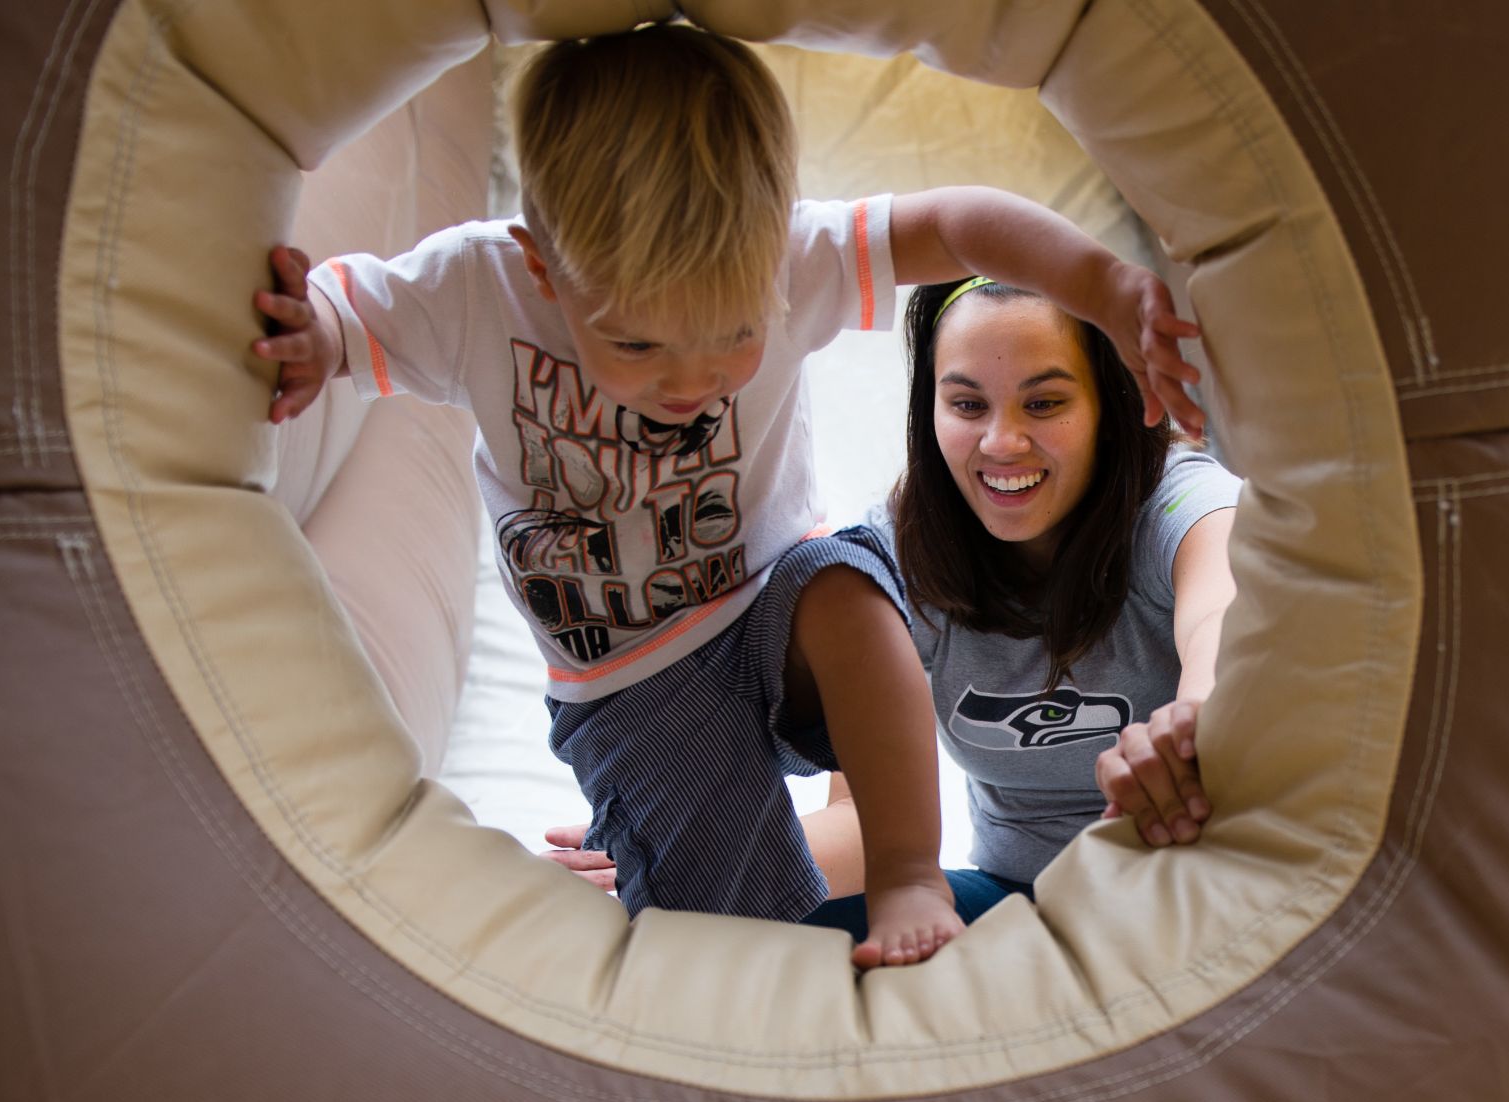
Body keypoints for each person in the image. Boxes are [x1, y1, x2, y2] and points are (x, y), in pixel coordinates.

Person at [251, 24, 1205, 967]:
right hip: (632, 678)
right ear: (541, 262)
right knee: (731, 934)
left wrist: (1107, 286)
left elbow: (955, 223)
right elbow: (351, 308)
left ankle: (911, 870)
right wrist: (315, 334)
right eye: (636, 344)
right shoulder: (478, 286)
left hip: (770, 604)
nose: (690, 380)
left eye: (735, 335)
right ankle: (680, 876)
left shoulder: (790, 257)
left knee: (846, 583)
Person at [550, 277, 1239, 936]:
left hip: (1181, 890)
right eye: (968, 405)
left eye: (1044, 403)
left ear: (1107, 406)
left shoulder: (1173, 501)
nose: (1001, 441)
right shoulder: (893, 558)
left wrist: (1195, 721)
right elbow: (861, 829)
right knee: (755, 943)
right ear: (930, 409)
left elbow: (1226, 612)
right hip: (1018, 904)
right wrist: (686, 871)